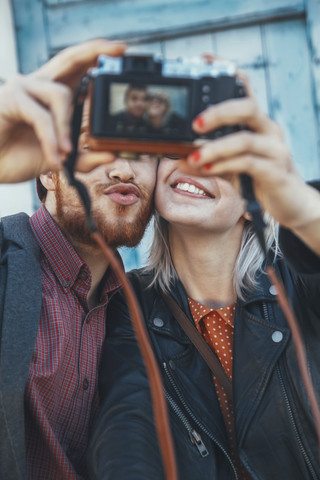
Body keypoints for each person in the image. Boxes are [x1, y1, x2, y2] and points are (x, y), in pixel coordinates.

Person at [88, 72, 320, 479]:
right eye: (177, 147)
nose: (194, 161)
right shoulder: (129, 304)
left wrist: (300, 207)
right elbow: (127, 424)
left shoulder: (302, 281)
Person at [0, 39, 158, 479]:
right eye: (96, 146)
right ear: (48, 170)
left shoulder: (147, 311)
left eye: (142, 153)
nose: (123, 169)